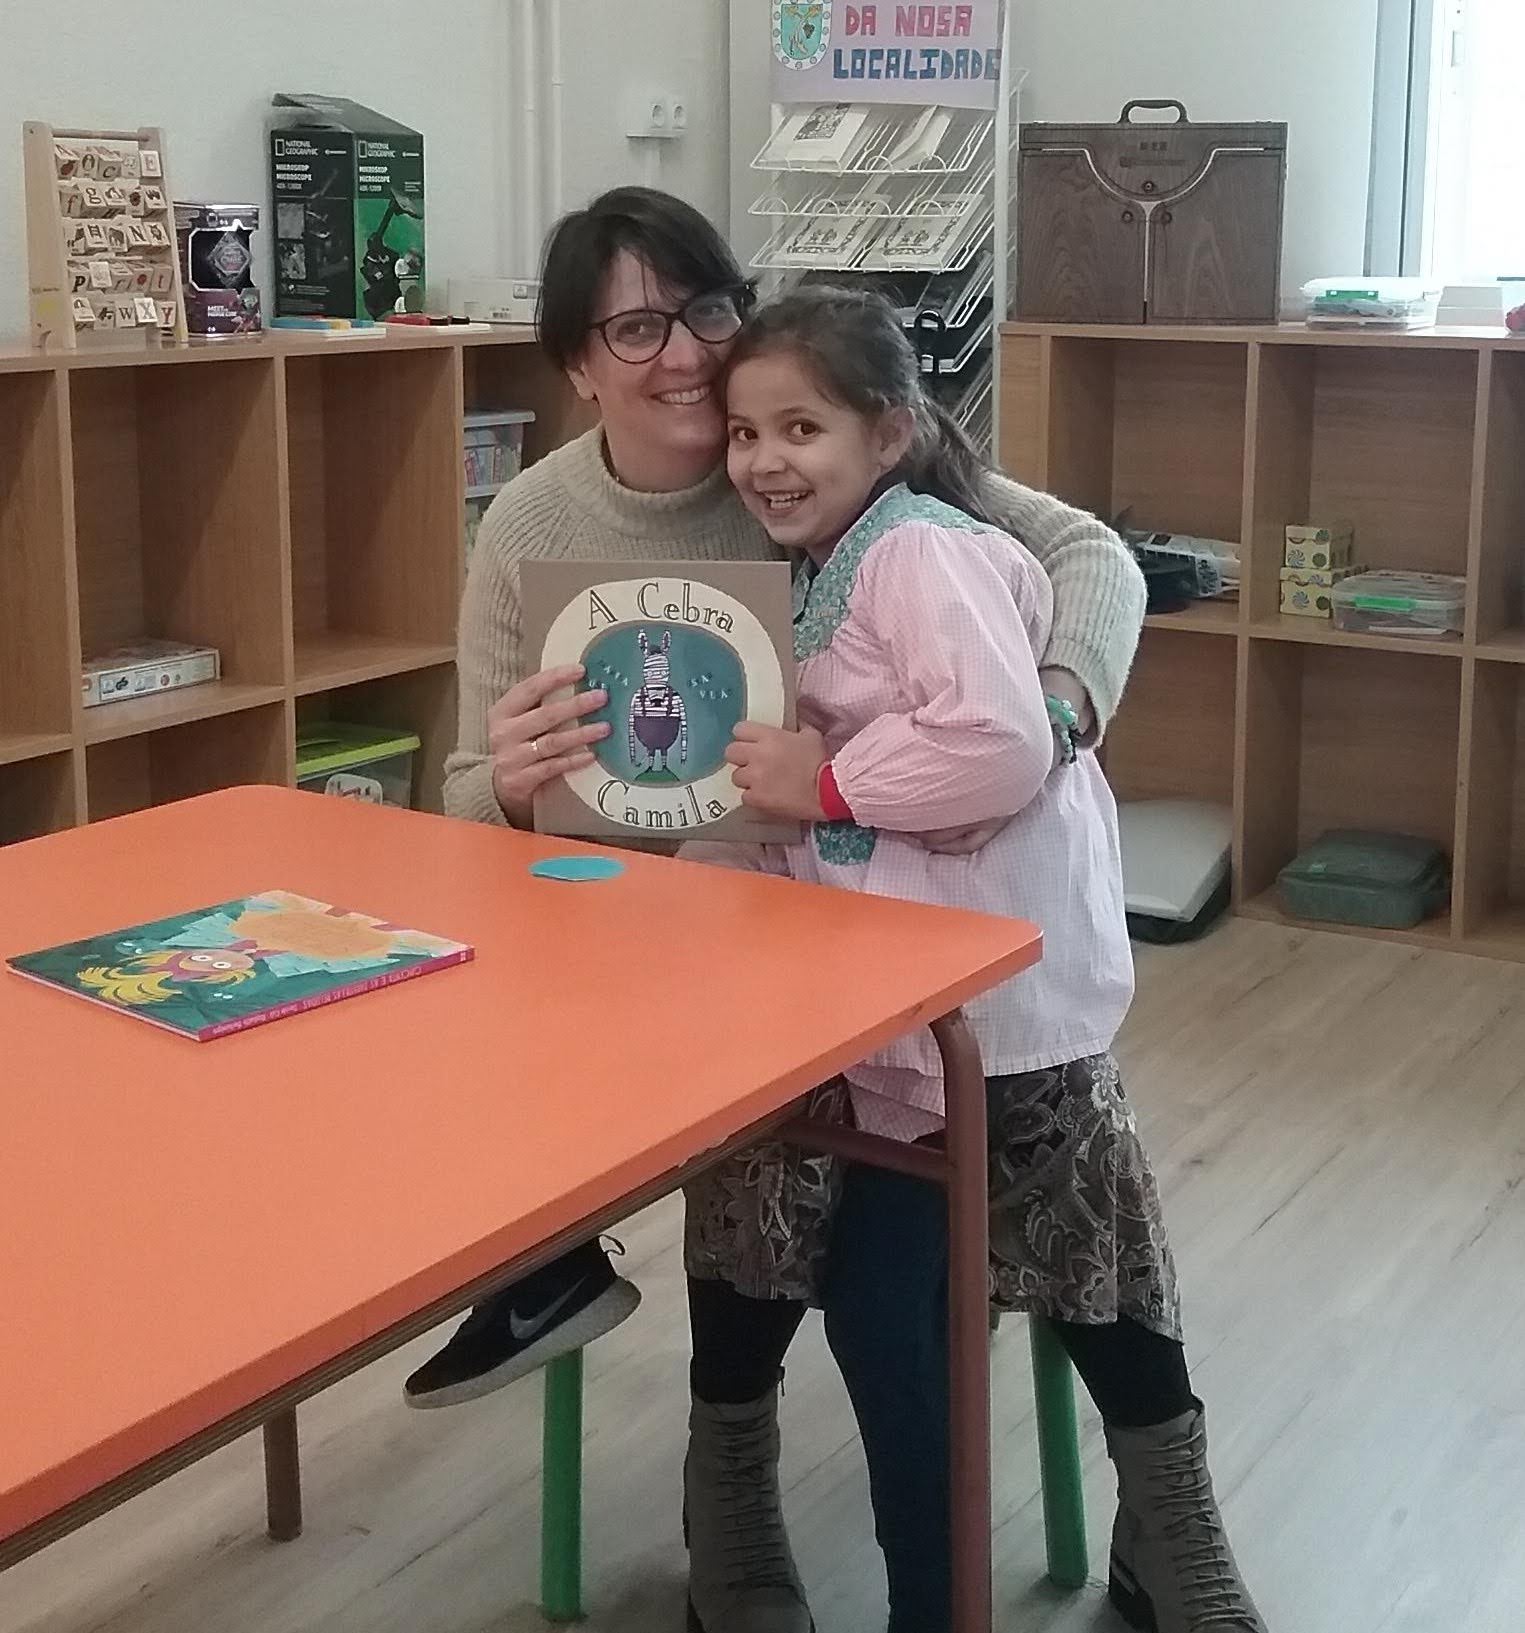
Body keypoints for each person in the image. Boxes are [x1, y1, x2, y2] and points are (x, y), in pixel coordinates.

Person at [406, 187, 1157, 1624]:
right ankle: (631, 1358)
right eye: (637, 328)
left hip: (844, 936)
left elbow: (1087, 560)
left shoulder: (832, 459)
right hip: (651, 935)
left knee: (923, 1142)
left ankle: (1134, 1502)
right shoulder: (536, 521)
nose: (691, 356)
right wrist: (509, 783)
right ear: (577, 365)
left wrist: (1053, 716)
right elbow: (464, 794)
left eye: (705, 309)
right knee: (726, 1116)